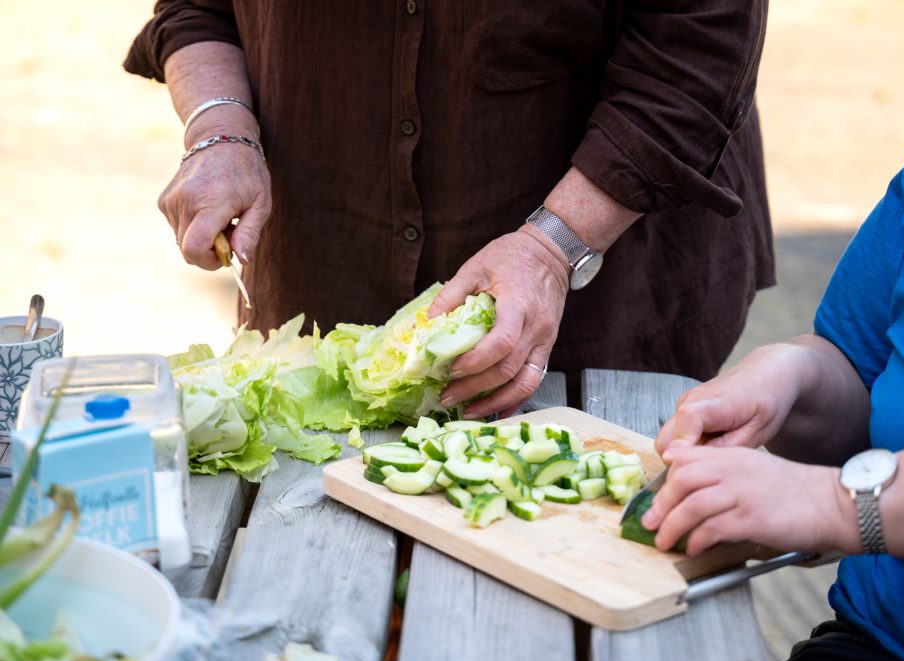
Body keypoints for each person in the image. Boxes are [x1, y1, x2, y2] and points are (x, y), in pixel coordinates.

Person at [123, 1, 774, 418]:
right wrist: (219, 127)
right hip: (323, 268)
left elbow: (696, 47)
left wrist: (553, 247)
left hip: (608, 299)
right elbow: (199, 6)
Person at [643, 2, 904, 661]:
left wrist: (833, 505)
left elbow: (837, 494)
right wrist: (784, 380)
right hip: (888, 646)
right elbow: (856, 367)